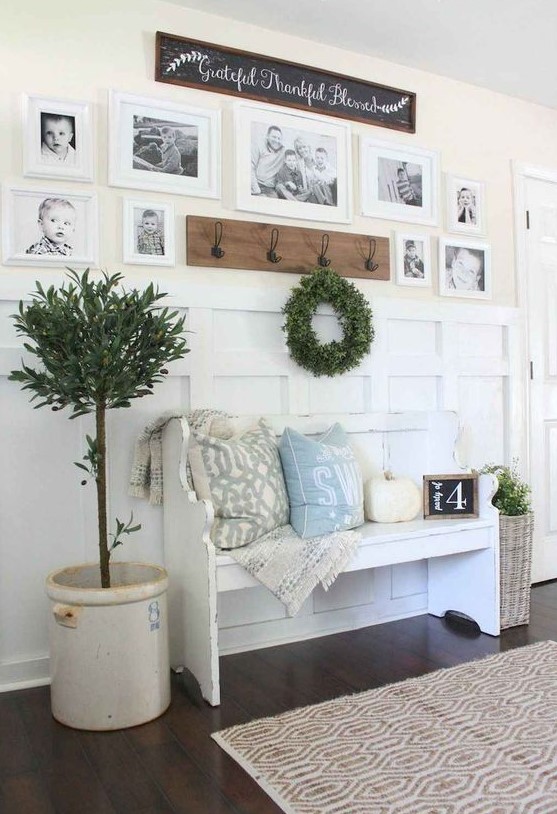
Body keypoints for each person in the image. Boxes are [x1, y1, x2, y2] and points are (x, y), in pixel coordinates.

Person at [251, 125, 285, 197]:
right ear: (267, 136)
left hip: (269, 188)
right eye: (274, 137)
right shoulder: (259, 147)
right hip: (256, 183)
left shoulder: (282, 151)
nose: (276, 140)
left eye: (279, 138)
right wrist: (256, 188)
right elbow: (250, 167)